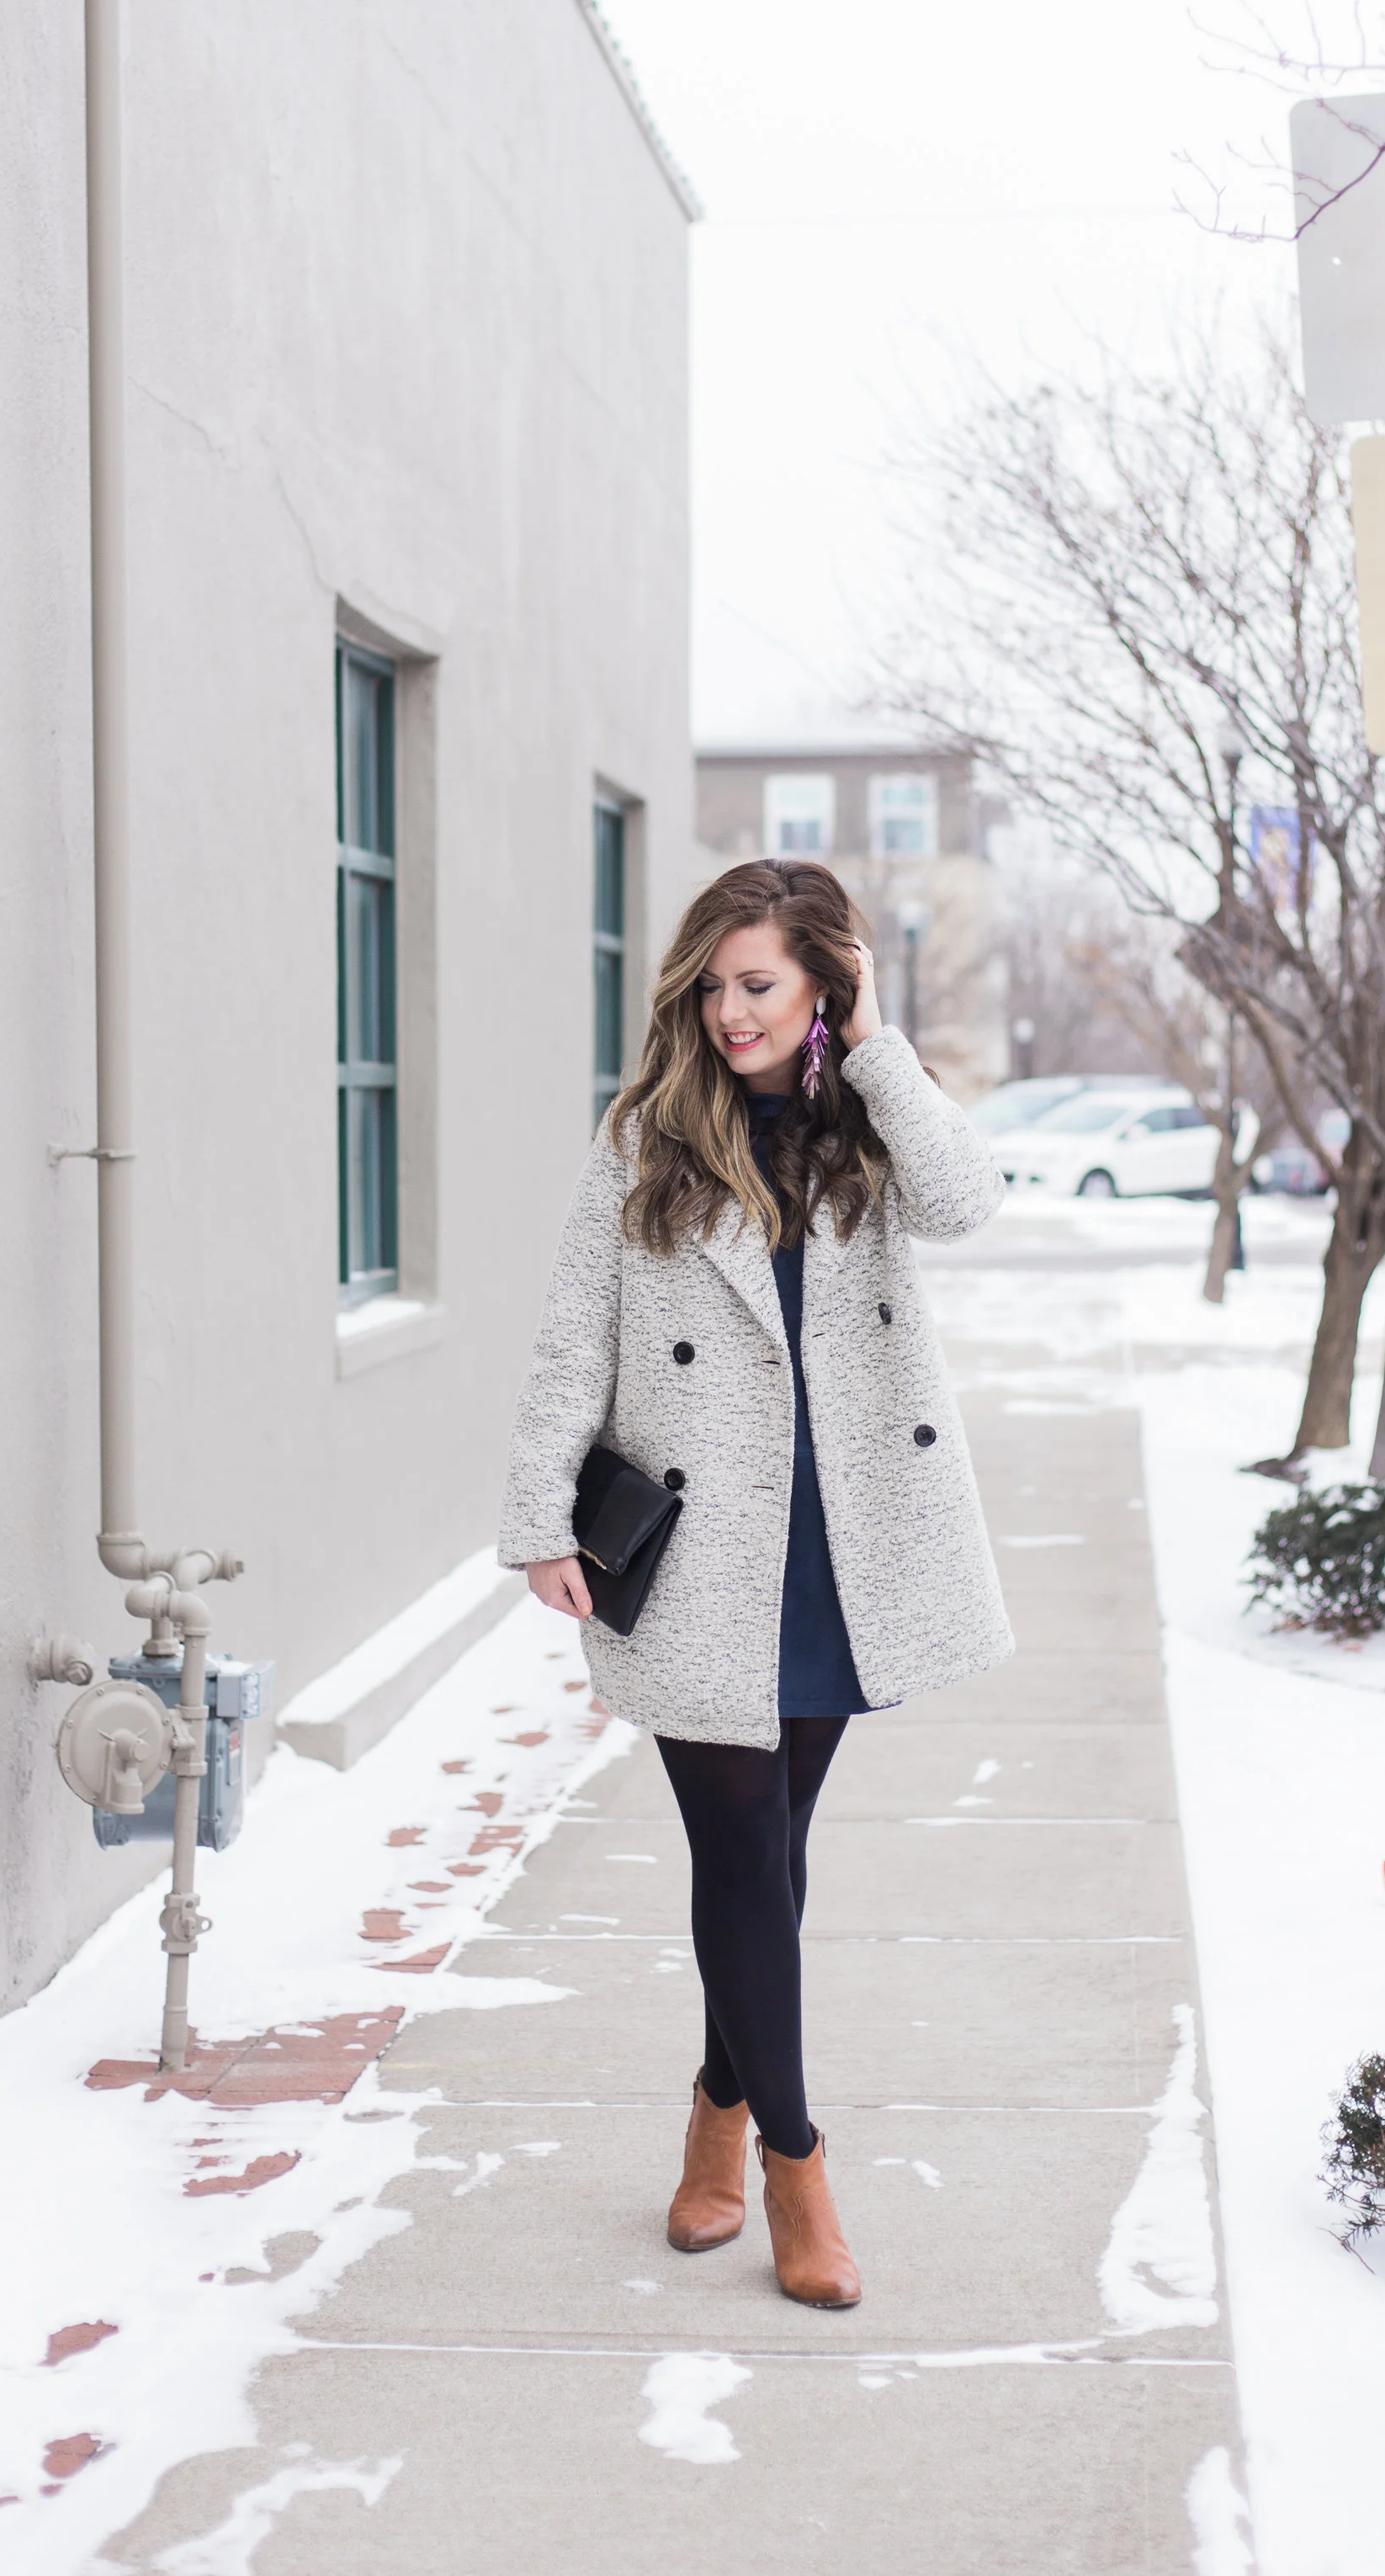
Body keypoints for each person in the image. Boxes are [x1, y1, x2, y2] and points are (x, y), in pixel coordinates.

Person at [500, 856, 1011, 2308]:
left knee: (777, 1852)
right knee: (738, 1852)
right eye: (714, 985)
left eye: (761, 983)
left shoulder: (870, 1126)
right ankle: (796, 2160)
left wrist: (880, 1046)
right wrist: (540, 1514)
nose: (731, 1011)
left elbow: (969, 1201)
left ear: (823, 988)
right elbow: (572, 1334)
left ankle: (717, 2108)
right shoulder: (646, 1136)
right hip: (702, 1545)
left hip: (845, 1541)